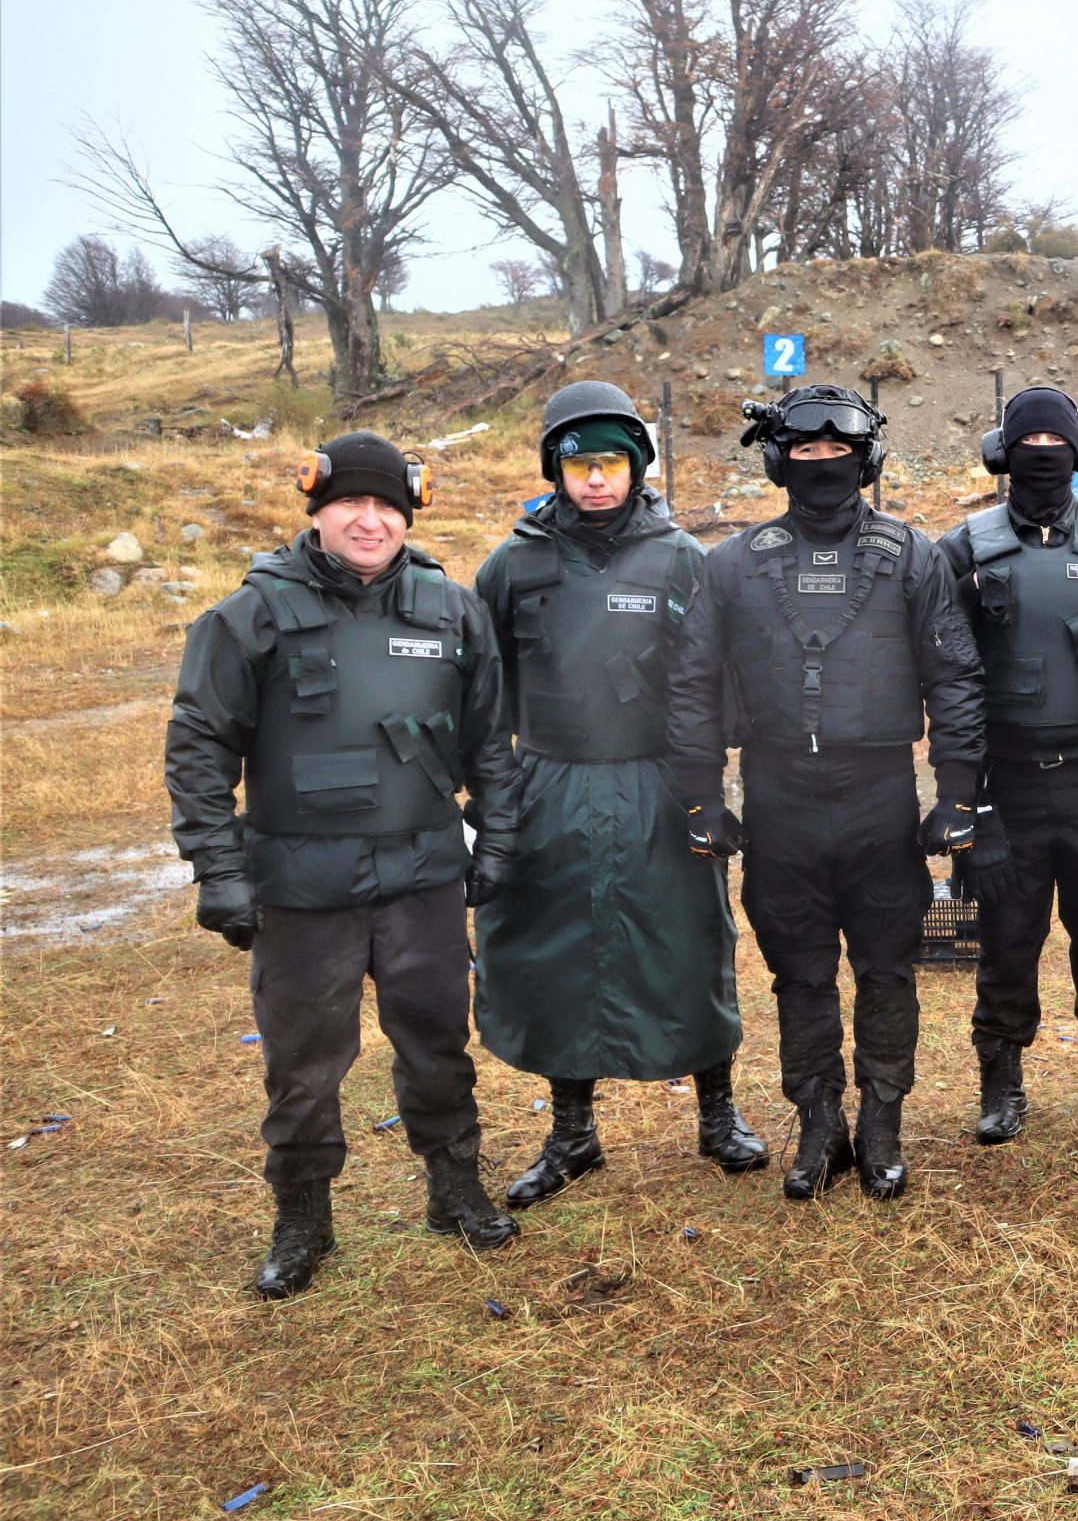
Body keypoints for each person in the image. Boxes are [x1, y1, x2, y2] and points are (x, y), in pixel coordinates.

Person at [166, 431, 523, 1297]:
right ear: (316, 510)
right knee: (302, 1057)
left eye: (386, 507)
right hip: (300, 883)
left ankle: (455, 1185)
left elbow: (492, 742)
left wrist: (501, 836)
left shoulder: (454, 610)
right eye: (349, 505)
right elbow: (200, 746)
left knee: (438, 1039)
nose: (368, 521)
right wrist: (219, 868)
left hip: (423, 876)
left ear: (408, 516)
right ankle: (303, 1216)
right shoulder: (247, 616)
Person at [664, 384, 990, 1201]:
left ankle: (882, 1124)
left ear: (866, 456)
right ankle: (818, 1123)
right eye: (803, 451)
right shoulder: (732, 563)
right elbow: (692, 683)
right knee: (799, 972)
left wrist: (956, 792)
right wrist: (702, 796)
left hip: (880, 795)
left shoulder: (916, 556)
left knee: (889, 967)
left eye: (836, 450)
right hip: (778, 798)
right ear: (779, 461)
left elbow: (955, 678)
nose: (821, 464)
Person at [471, 382, 764, 1210]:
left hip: (658, 783)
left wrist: (706, 786)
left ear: (637, 467)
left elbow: (717, 682)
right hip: (550, 783)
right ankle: (573, 1132)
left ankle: (717, 1113)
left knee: (690, 939)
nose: (595, 479)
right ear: (554, 469)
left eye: (612, 462)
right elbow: (479, 687)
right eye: (578, 462)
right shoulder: (512, 564)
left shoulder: (681, 559)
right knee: (553, 950)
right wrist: (490, 795)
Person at [936, 388, 1078, 1143]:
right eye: (1026, 439)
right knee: (1007, 932)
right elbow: (939, 670)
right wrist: (961, 793)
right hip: (1008, 775)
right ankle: (1001, 1081)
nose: (1042, 451)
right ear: (1002, 452)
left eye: (1054, 439)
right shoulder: (964, 545)